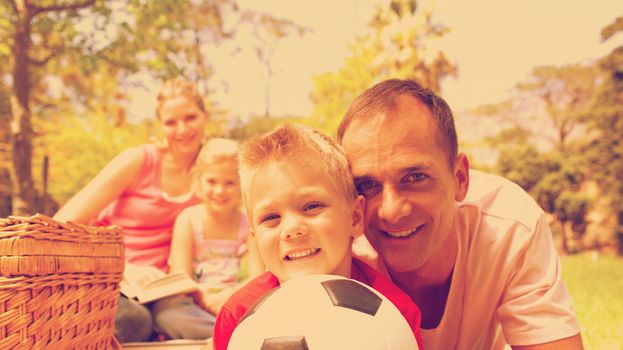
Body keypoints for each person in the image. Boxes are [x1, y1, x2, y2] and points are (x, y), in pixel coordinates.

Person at [338, 78, 583, 349]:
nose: (393, 211)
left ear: (459, 178)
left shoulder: (510, 226)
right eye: (367, 185)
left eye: (415, 177)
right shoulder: (336, 245)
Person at [212, 123, 424, 350]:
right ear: (255, 237)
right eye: (271, 217)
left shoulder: (395, 313)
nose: (292, 229)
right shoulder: (237, 316)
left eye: (311, 206)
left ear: (354, 218)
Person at [53, 77, 208, 343]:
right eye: (171, 122)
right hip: (114, 277)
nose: (182, 129)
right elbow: (62, 224)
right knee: (134, 321)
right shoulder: (139, 160)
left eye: (190, 118)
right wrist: (122, 267)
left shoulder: (212, 174)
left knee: (180, 320)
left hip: (163, 289)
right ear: (160, 125)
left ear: (206, 116)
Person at [153, 138, 264, 340]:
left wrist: (225, 298)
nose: (220, 191)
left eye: (229, 183)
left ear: (242, 186)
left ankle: (227, 333)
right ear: (198, 181)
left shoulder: (247, 222)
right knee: (166, 313)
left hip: (233, 301)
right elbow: (181, 277)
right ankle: (234, 336)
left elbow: (258, 277)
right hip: (193, 302)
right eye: (211, 181)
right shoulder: (188, 219)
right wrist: (204, 298)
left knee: (261, 304)